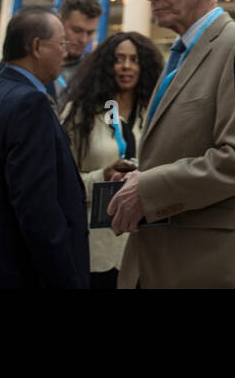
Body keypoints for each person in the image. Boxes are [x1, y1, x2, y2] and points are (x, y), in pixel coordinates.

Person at [110, 0, 235, 288]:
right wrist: (139, 177)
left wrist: (149, 188)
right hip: (170, 258)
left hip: (212, 264)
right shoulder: (181, 53)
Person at [0, 6, 89, 289]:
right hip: (21, 274)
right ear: (37, 47)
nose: (66, 53)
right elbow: (38, 209)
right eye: (61, 44)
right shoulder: (30, 104)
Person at [61, 31, 162, 289]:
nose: (126, 66)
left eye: (134, 59)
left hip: (146, 248)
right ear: (106, 65)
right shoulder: (79, 115)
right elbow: (59, 183)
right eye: (119, 59)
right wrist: (101, 177)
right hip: (95, 251)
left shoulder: (156, 114)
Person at [52, 0, 103, 111]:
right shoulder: (35, 65)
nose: (83, 40)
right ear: (59, 22)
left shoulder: (94, 71)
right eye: (77, 31)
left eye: (90, 33)